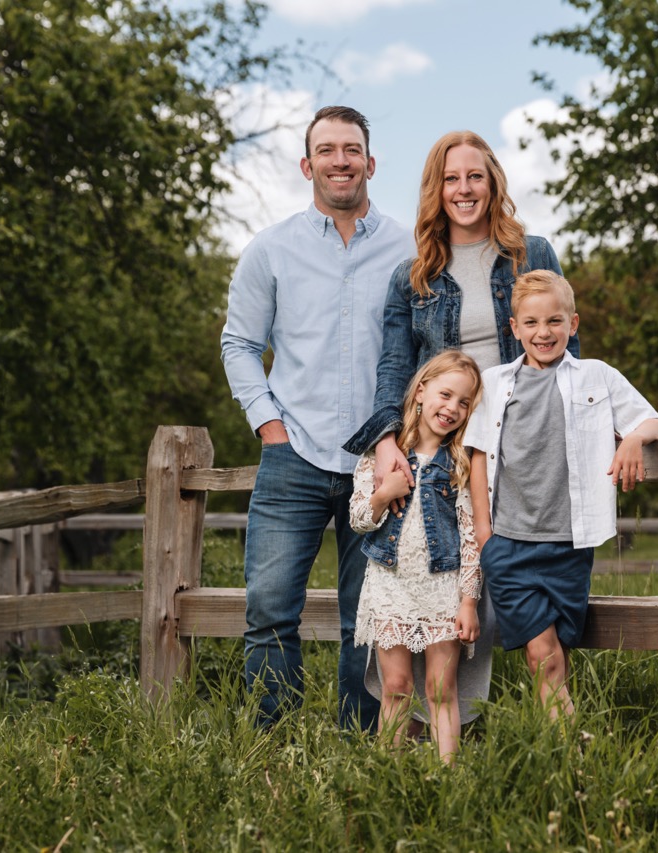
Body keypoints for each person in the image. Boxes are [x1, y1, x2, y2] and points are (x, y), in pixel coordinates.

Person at [343, 129, 579, 721]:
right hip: (447, 451)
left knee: (516, 579)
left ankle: (531, 719)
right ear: (437, 189)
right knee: (438, 573)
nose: (464, 189)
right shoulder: (413, 275)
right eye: (451, 178)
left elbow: (567, 355)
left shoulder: (532, 254)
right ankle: (434, 725)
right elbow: (394, 366)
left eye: (475, 176)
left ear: (492, 183)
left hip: (522, 448)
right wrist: (387, 441)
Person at [220, 106, 414, 731]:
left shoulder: (410, 248)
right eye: (326, 150)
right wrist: (269, 429)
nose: (340, 161)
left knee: (370, 615)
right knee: (269, 608)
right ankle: (271, 742)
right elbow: (239, 344)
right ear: (307, 166)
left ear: (370, 163)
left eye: (351, 149)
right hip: (293, 457)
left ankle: (361, 742)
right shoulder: (270, 249)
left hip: (380, 461)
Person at [465, 270, 658, 718]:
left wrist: (634, 439)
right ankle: (570, 743)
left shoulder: (597, 376)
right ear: (514, 328)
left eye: (554, 321)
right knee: (542, 653)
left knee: (557, 653)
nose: (544, 332)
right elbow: (478, 455)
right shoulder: (493, 383)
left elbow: (655, 421)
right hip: (509, 545)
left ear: (572, 324)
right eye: (531, 323)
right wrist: (484, 535)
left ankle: (559, 746)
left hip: (569, 545)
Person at [349, 351, 484, 763]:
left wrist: (468, 602)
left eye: (464, 402)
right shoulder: (381, 456)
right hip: (390, 586)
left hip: (442, 589)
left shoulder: (460, 464)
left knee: (441, 689)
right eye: (446, 394)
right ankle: (387, 773)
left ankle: (449, 774)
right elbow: (358, 519)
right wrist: (384, 494)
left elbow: (471, 539)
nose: (452, 408)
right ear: (421, 391)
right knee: (396, 686)